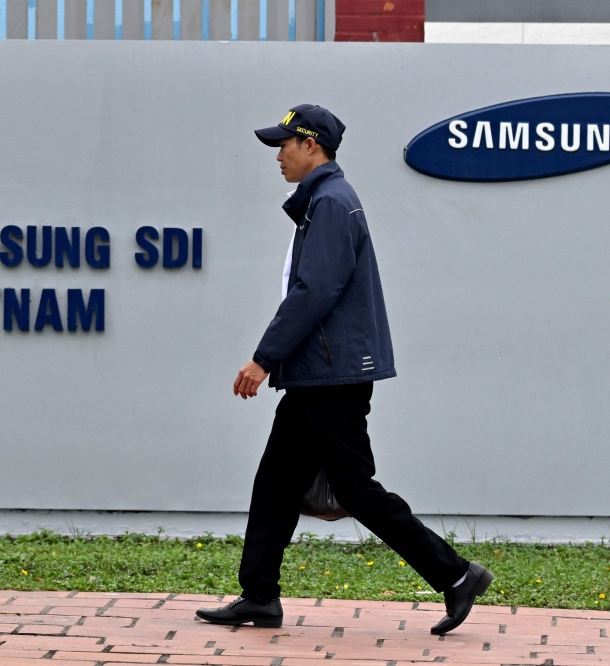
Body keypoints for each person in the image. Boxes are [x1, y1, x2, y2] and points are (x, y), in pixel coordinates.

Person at [195, 104, 492, 635]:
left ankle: (456, 574)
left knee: (355, 488)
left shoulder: (331, 202)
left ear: (311, 145)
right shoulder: (323, 201)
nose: (278, 156)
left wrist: (264, 358)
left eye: (284, 145)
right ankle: (259, 596)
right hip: (320, 374)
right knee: (276, 482)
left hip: (332, 377)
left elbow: (314, 291)